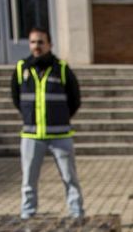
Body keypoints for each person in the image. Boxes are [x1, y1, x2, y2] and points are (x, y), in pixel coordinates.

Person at [12, 27, 83, 220]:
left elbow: (75, 99)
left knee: (70, 178)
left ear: (50, 45)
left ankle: (76, 213)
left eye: (41, 42)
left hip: (60, 135)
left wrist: (60, 118)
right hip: (31, 136)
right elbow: (17, 99)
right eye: (33, 42)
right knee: (28, 180)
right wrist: (29, 117)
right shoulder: (21, 68)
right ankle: (27, 213)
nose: (37, 46)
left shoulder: (61, 68)